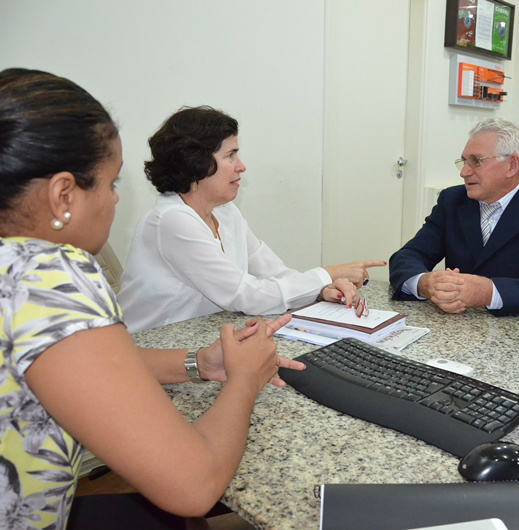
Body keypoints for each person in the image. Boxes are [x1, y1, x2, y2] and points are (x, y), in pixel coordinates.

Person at [0, 68, 305, 529]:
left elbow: (66, 362)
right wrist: (243, 378)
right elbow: (192, 485)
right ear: (63, 194)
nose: (116, 202)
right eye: (109, 184)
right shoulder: (50, 274)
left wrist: (197, 364)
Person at [117, 106, 385, 332]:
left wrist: (322, 289)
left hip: (200, 338)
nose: (241, 165)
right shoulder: (171, 221)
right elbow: (245, 295)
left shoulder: (225, 211)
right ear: (196, 164)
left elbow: (274, 273)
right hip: (151, 349)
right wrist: (327, 273)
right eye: (230, 155)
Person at [389, 118, 519, 316]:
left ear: (512, 165)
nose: (464, 172)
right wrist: (424, 283)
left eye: (476, 161)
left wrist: (490, 292)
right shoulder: (452, 201)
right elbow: (408, 256)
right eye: (464, 161)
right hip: (458, 331)